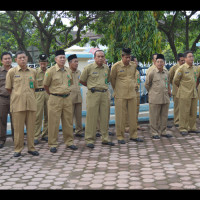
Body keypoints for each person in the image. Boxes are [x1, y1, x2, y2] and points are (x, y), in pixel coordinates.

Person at [5, 51, 39, 157]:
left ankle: (31, 148)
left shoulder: (33, 72)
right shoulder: (12, 72)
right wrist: (18, 96)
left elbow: (35, 87)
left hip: (31, 104)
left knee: (31, 128)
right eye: (20, 58)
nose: (22, 60)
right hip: (18, 104)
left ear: (27, 58)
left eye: (24, 57)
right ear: (16, 60)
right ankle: (18, 149)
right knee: (18, 129)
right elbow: (9, 88)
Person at [43, 49, 78, 153]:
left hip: (67, 99)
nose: (62, 60)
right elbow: (46, 85)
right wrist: (54, 94)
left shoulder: (68, 70)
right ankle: (52, 144)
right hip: (55, 99)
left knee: (68, 121)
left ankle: (69, 142)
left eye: (64, 58)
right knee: (53, 122)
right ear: (56, 59)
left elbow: (70, 82)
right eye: (60, 58)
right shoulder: (50, 71)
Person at [79, 50, 115, 148]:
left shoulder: (107, 68)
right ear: (94, 58)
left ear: (104, 58)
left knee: (105, 117)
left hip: (104, 94)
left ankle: (105, 138)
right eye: (98, 56)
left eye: (102, 56)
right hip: (93, 94)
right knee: (91, 117)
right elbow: (82, 80)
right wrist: (91, 86)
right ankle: (90, 139)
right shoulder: (88, 68)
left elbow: (107, 80)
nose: (100, 58)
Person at [110, 48, 143, 144]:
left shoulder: (133, 66)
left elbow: (133, 77)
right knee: (120, 117)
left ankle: (133, 135)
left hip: (132, 94)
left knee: (133, 116)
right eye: (126, 57)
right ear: (122, 57)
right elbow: (112, 80)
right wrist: (118, 90)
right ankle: (120, 136)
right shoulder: (116, 67)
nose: (128, 59)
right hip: (120, 95)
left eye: (129, 57)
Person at [145, 54, 172, 139]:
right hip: (155, 98)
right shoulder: (152, 72)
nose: (160, 63)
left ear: (164, 63)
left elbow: (168, 82)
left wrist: (168, 91)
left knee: (164, 116)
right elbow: (147, 84)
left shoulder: (166, 72)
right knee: (154, 116)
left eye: (161, 62)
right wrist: (153, 92)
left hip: (165, 97)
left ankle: (163, 131)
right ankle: (154, 132)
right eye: (158, 62)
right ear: (155, 62)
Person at [173, 51, 200, 136]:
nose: (192, 58)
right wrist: (182, 88)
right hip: (184, 94)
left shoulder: (195, 68)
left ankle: (192, 127)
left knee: (193, 112)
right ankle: (183, 128)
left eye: (192, 56)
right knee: (184, 112)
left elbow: (197, 79)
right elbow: (175, 81)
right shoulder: (181, 68)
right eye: (189, 56)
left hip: (193, 93)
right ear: (185, 59)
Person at [34, 54, 49, 145]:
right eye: (41, 63)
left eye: (44, 63)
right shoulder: (35, 72)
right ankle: (36, 136)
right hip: (38, 94)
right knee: (37, 116)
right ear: (39, 63)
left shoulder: (50, 71)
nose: (43, 65)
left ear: (47, 63)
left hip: (48, 94)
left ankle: (45, 134)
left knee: (48, 115)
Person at [0, 52, 14, 148]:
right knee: (1, 120)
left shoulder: (16, 71)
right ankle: (1, 139)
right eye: (5, 59)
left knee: (16, 120)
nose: (7, 60)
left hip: (15, 99)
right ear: (1, 61)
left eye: (9, 58)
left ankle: (17, 139)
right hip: (2, 99)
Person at [68, 54, 84, 138]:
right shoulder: (66, 72)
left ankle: (79, 131)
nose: (77, 63)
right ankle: (69, 133)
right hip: (69, 97)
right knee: (69, 117)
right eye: (75, 62)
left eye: (77, 61)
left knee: (78, 116)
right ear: (70, 63)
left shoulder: (79, 72)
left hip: (78, 96)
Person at [169, 53, 185, 127]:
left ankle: (183, 121)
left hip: (185, 91)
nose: (183, 62)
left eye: (184, 60)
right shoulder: (174, 68)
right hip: (176, 90)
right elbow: (170, 78)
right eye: (182, 60)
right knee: (177, 107)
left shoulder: (186, 68)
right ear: (178, 60)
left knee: (184, 107)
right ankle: (177, 121)